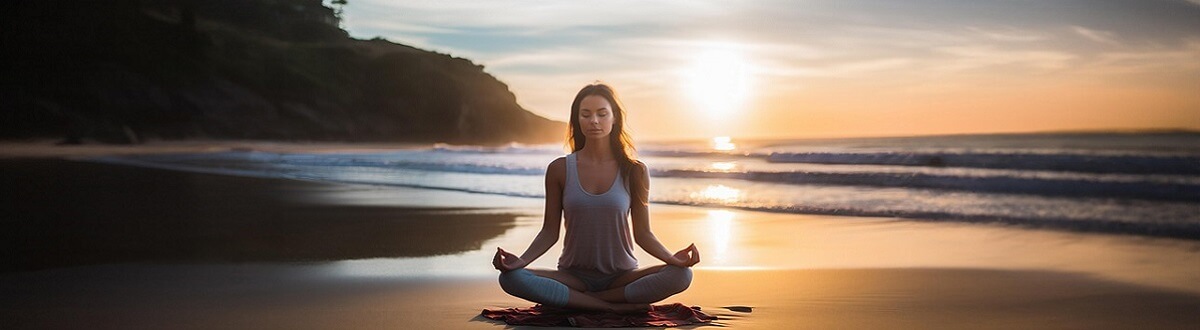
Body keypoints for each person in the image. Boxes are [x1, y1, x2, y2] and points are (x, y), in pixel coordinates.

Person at [493, 83, 700, 313]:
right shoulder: (560, 169)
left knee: (682, 275)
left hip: (622, 277)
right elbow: (549, 232)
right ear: (577, 120)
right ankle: (612, 307)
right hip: (572, 276)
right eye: (586, 114)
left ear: (614, 119)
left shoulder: (634, 171)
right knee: (510, 278)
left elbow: (643, 234)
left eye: (602, 114)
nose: (594, 121)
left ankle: (587, 300)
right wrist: (520, 262)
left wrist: (673, 259)